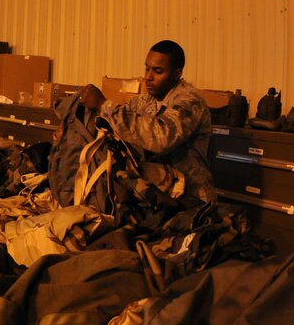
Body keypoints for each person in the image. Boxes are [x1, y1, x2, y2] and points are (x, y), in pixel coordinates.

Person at [78, 40, 216, 203]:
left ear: (177, 73)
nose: (148, 77)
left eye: (158, 71)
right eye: (147, 69)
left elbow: (161, 137)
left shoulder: (190, 101)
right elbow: (118, 125)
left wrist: (104, 104)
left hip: (190, 197)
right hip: (156, 193)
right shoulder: (144, 101)